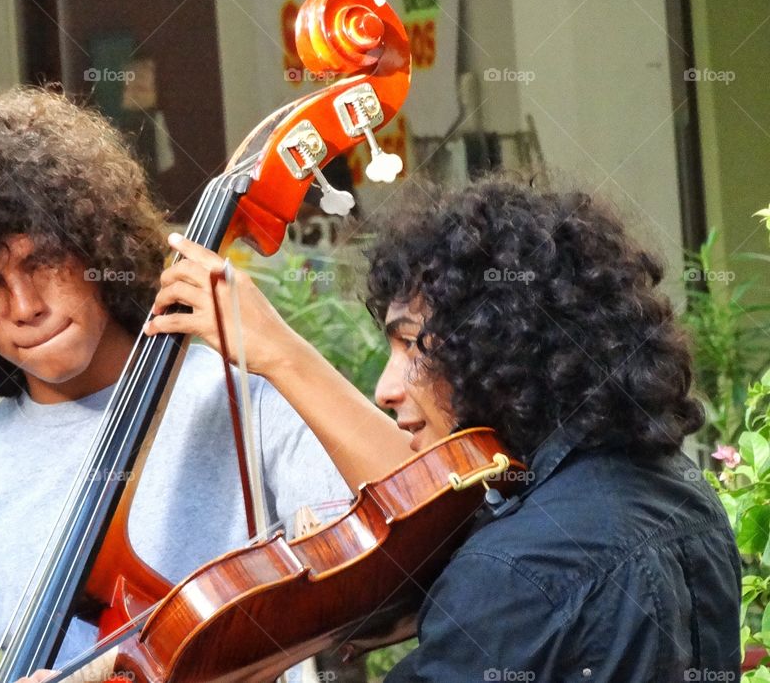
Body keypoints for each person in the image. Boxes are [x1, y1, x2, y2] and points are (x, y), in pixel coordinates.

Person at [0, 87, 356, 683]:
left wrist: (286, 357)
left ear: (96, 245)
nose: (24, 306)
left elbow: (424, 538)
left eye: (42, 262)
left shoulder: (248, 398)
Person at [145, 176, 742, 682]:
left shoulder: (509, 571)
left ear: (502, 346)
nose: (386, 387)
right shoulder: (681, 493)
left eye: (411, 347)